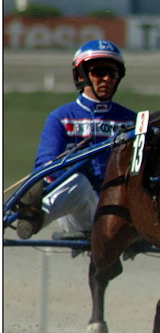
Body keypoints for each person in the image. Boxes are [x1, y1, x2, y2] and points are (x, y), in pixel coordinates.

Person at [14, 40, 137, 240]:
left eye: (112, 73)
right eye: (99, 72)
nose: (106, 79)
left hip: (118, 209)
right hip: (75, 207)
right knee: (79, 182)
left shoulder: (132, 120)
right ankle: (34, 216)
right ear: (81, 75)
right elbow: (46, 166)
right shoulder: (61, 117)